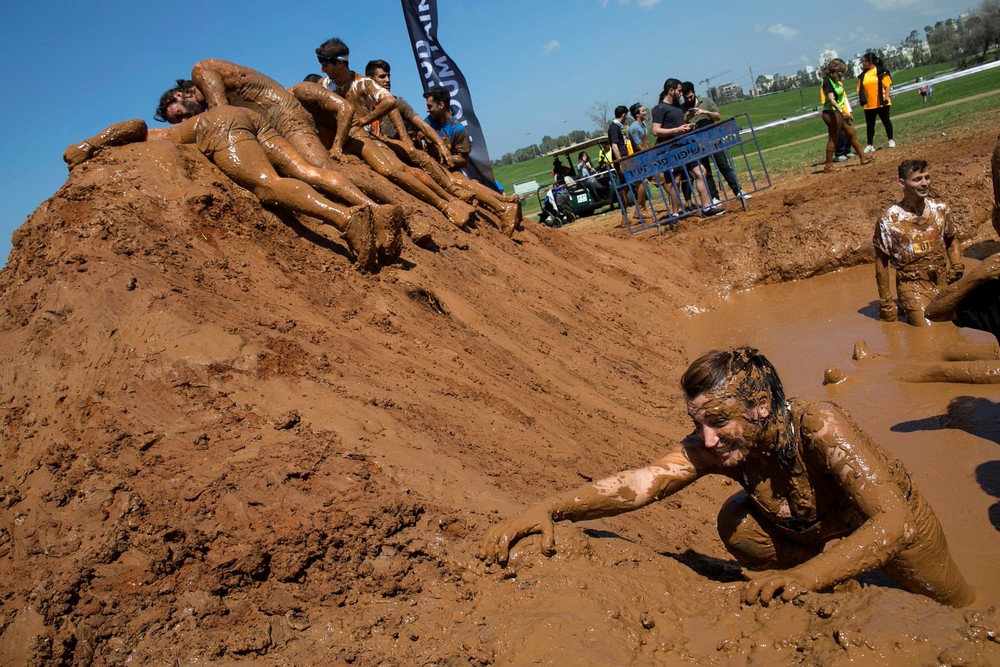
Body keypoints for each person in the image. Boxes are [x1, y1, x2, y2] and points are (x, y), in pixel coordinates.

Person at [481, 347, 975, 608]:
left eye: (717, 422)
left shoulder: (820, 425)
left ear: (761, 407)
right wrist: (551, 507)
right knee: (738, 520)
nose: (707, 439)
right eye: (698, 424)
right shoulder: (719, 445)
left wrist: (806, 575)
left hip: (896, 527)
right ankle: (844, 596)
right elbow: (640, 483)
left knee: (956, 607)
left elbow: (894, 522)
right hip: (811, 532)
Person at [64, 108, 405, 273]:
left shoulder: (152, 135)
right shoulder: (168, 131)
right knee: (305, 171)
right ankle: (373, 209)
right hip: (246, 117)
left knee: (266, 184)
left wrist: (88, 144)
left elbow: (134, 124)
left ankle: (346, 219)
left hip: (220, 127)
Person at [313, 37, 475, 229]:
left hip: (361, 136)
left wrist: (366, 120)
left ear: (339, 63)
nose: (322, 69)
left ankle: (447, 203)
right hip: (344, 137)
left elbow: (390, 102)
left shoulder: (362, 83)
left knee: (390, 169)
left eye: (325, 64)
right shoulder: (324, 84)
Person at [874, 159, 963, 326]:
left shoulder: (940, 209)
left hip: (943, 281)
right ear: (902, 183)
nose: (924, 184)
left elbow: (952, 240)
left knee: (956, 324)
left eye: (927, 177)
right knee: (928, 329)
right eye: (917, 179)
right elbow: (881, 262)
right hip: (912, 285)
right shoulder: (889, 220)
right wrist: (886, 302)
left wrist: (957, 267)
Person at [423, 85, 521, 235]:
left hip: (451, 169)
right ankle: (508, 201)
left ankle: (503, 207)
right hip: (433, 167)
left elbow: (464, 160)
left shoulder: (457, 129)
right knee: (471, 184)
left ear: (441, 105)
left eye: (430, 106)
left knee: (459, 182)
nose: (427, 110)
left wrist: (446, 158)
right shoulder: (429, 121)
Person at [651, 79, 722, 217]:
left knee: (701, 172)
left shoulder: (678, 107)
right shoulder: (659, 109)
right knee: (675, 180)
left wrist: (687, 122)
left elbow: (680, 125)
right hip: (671, 149)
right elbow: (656, 131)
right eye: (678, 91)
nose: (681, 93)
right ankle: (675, 214)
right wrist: (677, 129)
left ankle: (707, 207)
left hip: (686, 145)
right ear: (671, 90)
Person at [680, 81, 749, 202]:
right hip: (698, 143)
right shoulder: (682, 109)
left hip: (714, 140)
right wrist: (686, 119)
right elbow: (681, 128)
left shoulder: (706, 101)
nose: (689, 99)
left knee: (723, 165)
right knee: (706, 172)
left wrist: (705, 112)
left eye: (690, 96)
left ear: (694, 92)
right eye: (686, 98)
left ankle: (738, 190)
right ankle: (714, 197)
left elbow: (717, 116)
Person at [821, 59, 871, 173]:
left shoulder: (837, 82)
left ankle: (863, 157)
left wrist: (846, 111)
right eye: (842, 71)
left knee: (851, 132)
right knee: (833, 138)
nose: (843, 74)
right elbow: (831, 99)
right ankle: (828, 165)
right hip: (831, 113)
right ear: (837, 70)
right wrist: (841, 111)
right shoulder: (828, 82)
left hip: (838, 112)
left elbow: (842, 99)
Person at [858, 52, 895, 153]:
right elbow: (860, 89)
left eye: (864, 61)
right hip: (869, 105)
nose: (862, 63)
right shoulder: (863, 75)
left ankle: (891, 140)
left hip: (882, 102)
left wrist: (886, 98)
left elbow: (887, 86)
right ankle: (870, 145)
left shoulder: (881, 71)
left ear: (870, 62)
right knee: (870, 126)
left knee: (886, 121)